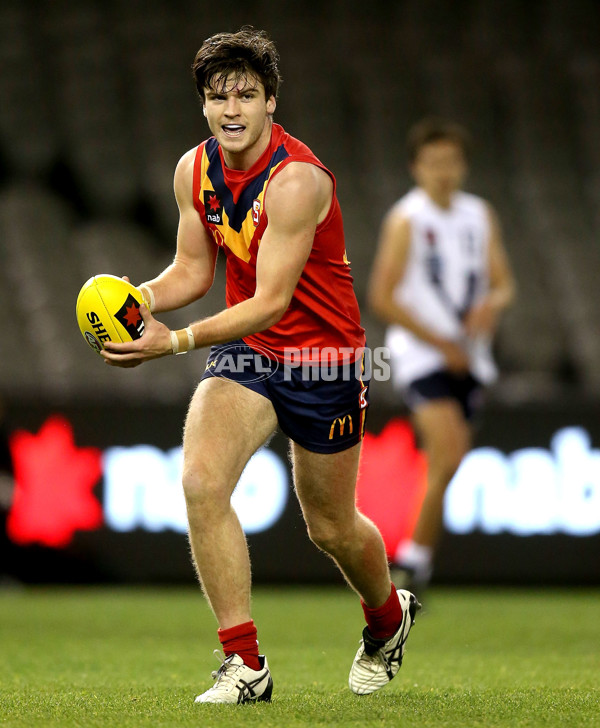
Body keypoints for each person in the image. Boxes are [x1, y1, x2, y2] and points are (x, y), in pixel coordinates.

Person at [101, 27, 420, 704]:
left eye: (247, 92)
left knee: (329, 527)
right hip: (249, 352)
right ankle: (245, 664)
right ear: (205, 106)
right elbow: (194, 268)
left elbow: (272, 302)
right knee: (200, 482)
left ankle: (387, 616)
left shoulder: (297, 181)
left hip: (321, 359)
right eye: (219, 96)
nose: (232, 107)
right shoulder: (195, 170)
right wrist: (140, 299)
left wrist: (175, 342)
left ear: (273, 101)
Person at [368, 118, 516, 597]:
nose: (443, 172)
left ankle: (415, 565)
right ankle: (409, 564)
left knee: (447, 464)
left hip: (469, 356)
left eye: (451, 162)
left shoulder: (479, 215)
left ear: (464, 166)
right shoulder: (406, 219)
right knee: (448, 452)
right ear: (416, 168)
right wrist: (439, 341)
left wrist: (490, 306)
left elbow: (504, 283)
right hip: (421, 355)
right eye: (433, 163)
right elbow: (382, 296)